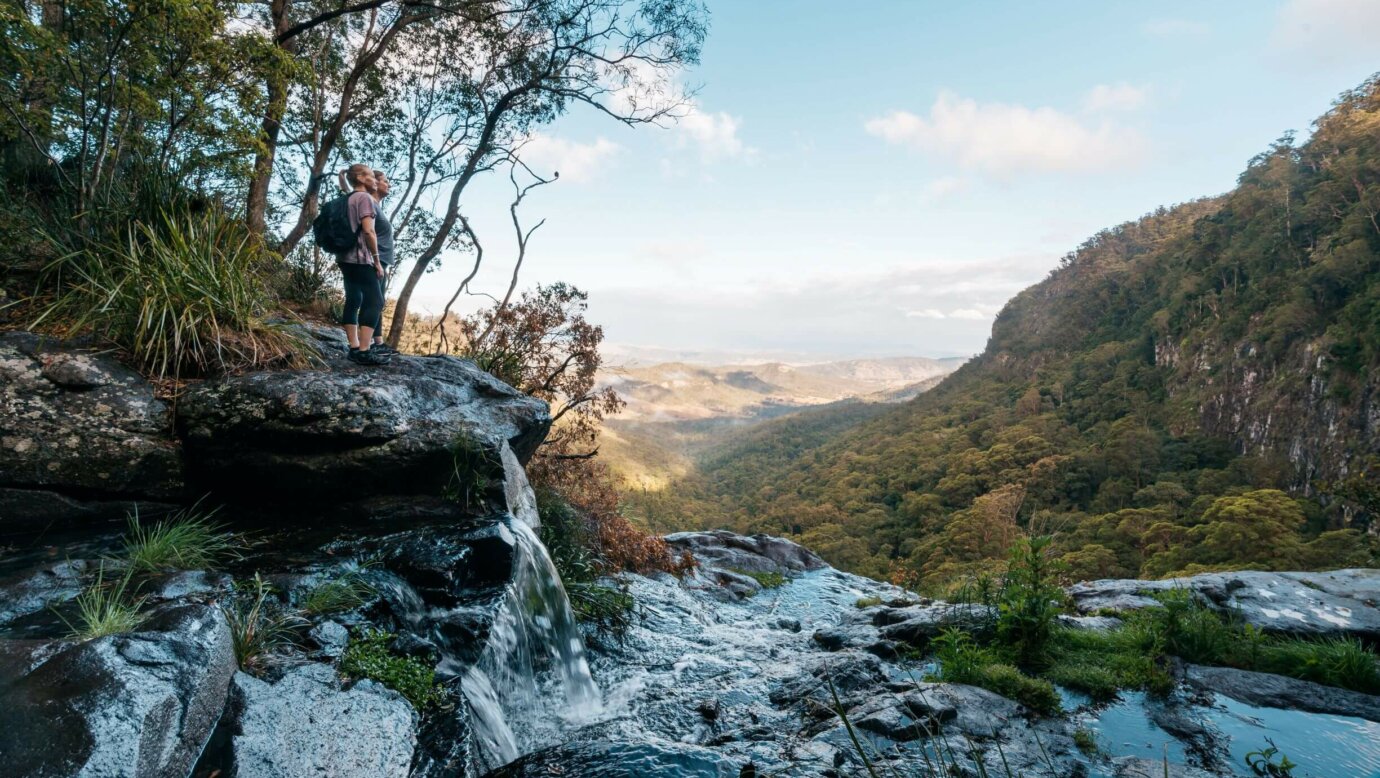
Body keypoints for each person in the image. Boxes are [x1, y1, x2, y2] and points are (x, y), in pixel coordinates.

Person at [335, 163, 389, 366]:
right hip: (360, 258)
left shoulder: (347, 198)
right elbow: (368, 231)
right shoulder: (365, 198)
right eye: (370, 175)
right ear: (360, 178)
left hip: (344, 258)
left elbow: (346, 192)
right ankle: (365, 350)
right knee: (375, 301)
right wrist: (376, 260)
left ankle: (354, 347)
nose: (374, 179)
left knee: (353, 299)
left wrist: (342, 181)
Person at [367, 169, 396, 354]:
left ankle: (378, 342)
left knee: (378, 300)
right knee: (373, 300)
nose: (389, 184)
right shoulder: (369, 202)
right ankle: (369, 343)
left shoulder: (376, 204)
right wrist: (375, 259)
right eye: (386, 181)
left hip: (382, 260)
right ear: (376, 184)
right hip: (374, 260)